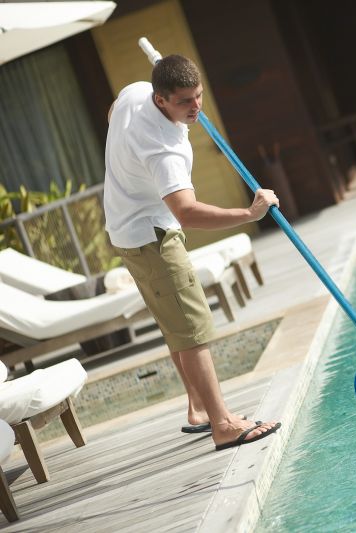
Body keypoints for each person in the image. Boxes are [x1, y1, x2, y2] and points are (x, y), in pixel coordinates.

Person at [103, 54, 280, 451]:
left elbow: (113, 111)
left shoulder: (134, 94)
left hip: (127, 228)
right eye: (185, 101)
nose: (196, 107)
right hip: (151, 235)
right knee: (193, 328)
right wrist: (251, 213)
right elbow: (187, 212)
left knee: (176, 324)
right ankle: (223, 424)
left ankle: (198, 409)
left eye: (198, 96)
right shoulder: (164, 151)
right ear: (161, 99)